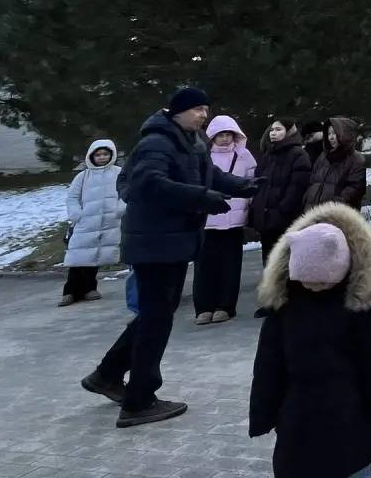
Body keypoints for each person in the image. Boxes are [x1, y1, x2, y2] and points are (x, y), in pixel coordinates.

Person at [81, 87, 261, 427]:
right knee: (156, 319)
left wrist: (242, 186)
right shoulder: (157, 142)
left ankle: (107, 374)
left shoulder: (191, 141)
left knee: (155, 314)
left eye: (206, 109)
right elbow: (149, 185)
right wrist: (201, 198)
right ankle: (139, 401)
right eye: (197, 109)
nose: (203, 115)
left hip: (173, 243)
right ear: (177, 111)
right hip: (154, 244)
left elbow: (209, 175)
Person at [250, 203, 371, 478]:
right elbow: (268, 366)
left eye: (322, 281)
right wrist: (265, 411)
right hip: (298, 424)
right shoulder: (284, 305)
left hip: (350, 424)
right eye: (307, 281)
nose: (314, 287)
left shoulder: (362, 306)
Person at [193, 116, 258, 324]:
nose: (224, 139)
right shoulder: (203, 155)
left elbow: (250, 184)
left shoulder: (244, 155)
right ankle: (203, 307)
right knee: (204, 265)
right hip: (208, 219)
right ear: (212, 136)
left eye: (228, 134)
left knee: (230, 265)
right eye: (220, 135)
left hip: (235, 219)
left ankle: (226, 306)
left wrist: (249, 207)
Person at [60, 139, 125, 306]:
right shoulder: (83, 176)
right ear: (91, 156)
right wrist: (76, 214)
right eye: (98, 154)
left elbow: (126, 192)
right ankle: (69, 291)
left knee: (95, 256)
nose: (102, 157)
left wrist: (120, 209)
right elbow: (72, 197)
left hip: (109, 222)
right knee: (78, 257)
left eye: (105, 154)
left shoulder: (119, 172)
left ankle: (89, 288)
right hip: (85, 222)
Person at [250, 118, 313, 265]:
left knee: (284, 263)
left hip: (284, 220)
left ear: (289, 132)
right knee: (269, 262)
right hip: (267, 221)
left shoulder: (298, 155)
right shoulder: (268, 155)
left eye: (279, 129)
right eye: (272, 129)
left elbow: (297, 187)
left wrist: (282, 209)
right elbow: (259, 184)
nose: (273, 133)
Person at [303, 117, 366, 210]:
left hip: (337, 214)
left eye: (335, 133)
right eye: (328, 134)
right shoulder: (323, 156)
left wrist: (334, 205)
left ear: (345, 134)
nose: (331, 137)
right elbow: (313, 181)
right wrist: (307, 199)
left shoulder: (356, 159)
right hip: (313, 212)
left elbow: (355, 189)